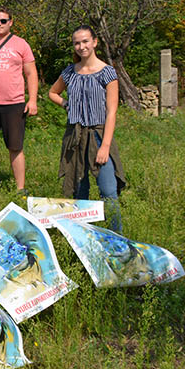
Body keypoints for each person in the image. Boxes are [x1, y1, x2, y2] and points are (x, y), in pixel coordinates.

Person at [47, 25, 126, 232]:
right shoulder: (70, 72)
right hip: (75, 136)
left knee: (108, 192)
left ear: (94, 42)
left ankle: (117, 239)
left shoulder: (107, 73)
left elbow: (111, 112)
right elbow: (53, 93)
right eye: (77, 43)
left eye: (85, 41)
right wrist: (66, 105)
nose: (81, 46)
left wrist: (105, 146)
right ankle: (81, 237)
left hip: (99, 135)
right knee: (78, 192)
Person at [0, 7, 39, 192]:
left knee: (15, 147)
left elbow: (31, 73)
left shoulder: (21, 44)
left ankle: (20, 189)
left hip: (13, 103)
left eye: (3, 21)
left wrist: (32, 101)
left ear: (11, 22)